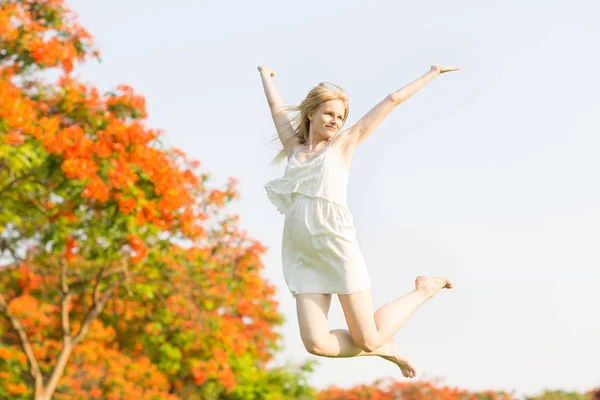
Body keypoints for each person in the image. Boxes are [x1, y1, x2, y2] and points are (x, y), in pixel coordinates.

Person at [260, 64, 459, 378]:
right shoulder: (295, 151)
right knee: (317, 344)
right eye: (328, 113)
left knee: (368, 338)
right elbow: (276, 109)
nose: (335, 121)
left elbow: (391, 100)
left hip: (337, 249)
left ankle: (424, 291)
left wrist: (431, 73)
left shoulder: (342, 147)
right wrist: (264, 75)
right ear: (310, 114)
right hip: (304, 256)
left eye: (340, 117)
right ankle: (383, 347)